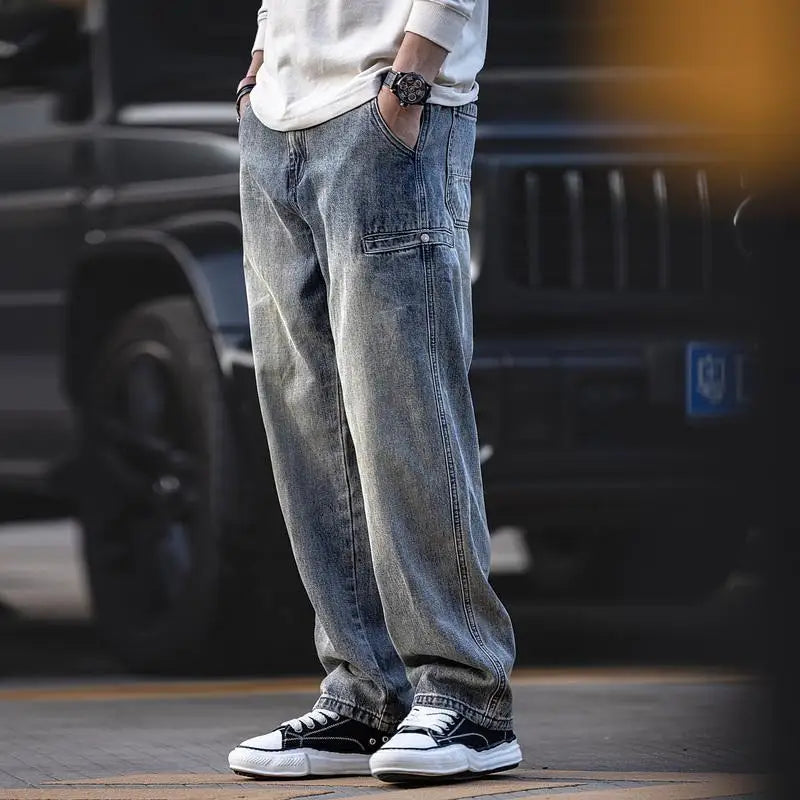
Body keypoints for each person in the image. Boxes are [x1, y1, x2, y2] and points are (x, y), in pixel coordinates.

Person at [228, 0, 519, 783]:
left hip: (385, 104)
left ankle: (467, 694)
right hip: (278, 116)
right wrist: (261, 61)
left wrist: (410, 80)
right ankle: (365, 695)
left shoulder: (400, 95)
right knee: (308, 418)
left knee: (406, 409)